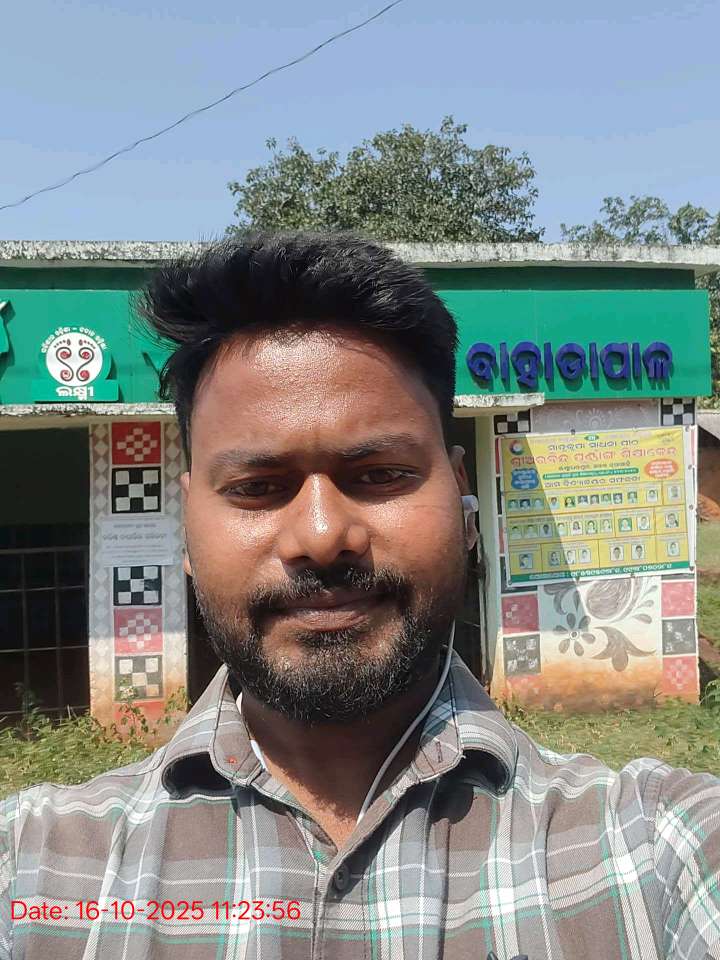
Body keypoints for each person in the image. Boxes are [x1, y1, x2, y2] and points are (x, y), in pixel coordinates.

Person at [2, 233, 719, 960]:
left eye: (379, 475)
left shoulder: (654, 850)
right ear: (188, 526)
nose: (322, 537)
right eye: (257, 487)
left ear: (464, 498)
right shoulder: (36, 863)